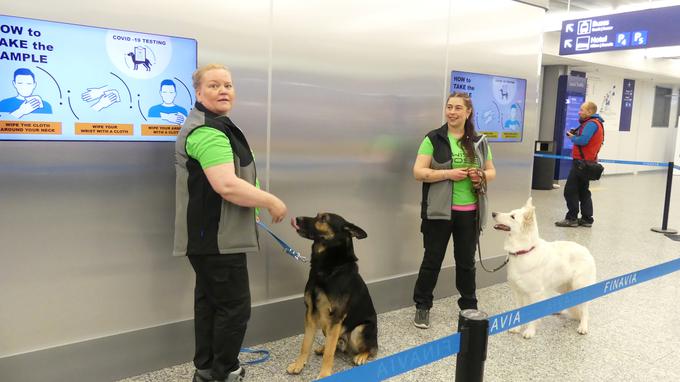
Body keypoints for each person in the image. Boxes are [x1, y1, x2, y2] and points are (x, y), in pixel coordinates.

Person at [174, 64, 287, 382]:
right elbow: (227, 185)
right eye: (214, 86)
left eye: (228, 85)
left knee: (211, 304)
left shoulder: (215, 124)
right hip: (217, 240)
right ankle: (222, 373)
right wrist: (270, 201)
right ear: (198, 92)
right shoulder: (207, 131)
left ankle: (208, 368)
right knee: (234, 308)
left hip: (211, 237)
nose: (223, 90)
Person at [412, 92, 496, 329]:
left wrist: (480, 174)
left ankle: (468, 305)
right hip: (438, 212)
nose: (452, 112)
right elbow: (418, 172)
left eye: (458, 108)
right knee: (432, 260)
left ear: (468, 112)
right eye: (449, 107)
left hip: (469, 213)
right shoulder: (433, 139)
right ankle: (422, 306)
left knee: (466, 262)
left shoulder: (479, 141)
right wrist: (448, 174)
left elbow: (491, 172)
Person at [555, 101, 604, 228]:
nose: (579, 112)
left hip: (581, 163)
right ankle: (587, 219)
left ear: (589, 112)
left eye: (582, 110)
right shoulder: (597, 123)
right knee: (583, 191)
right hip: (588, 162)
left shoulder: (591, 124)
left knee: (570, 190)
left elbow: (583, 140)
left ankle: (572, 218)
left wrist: (572, 137)